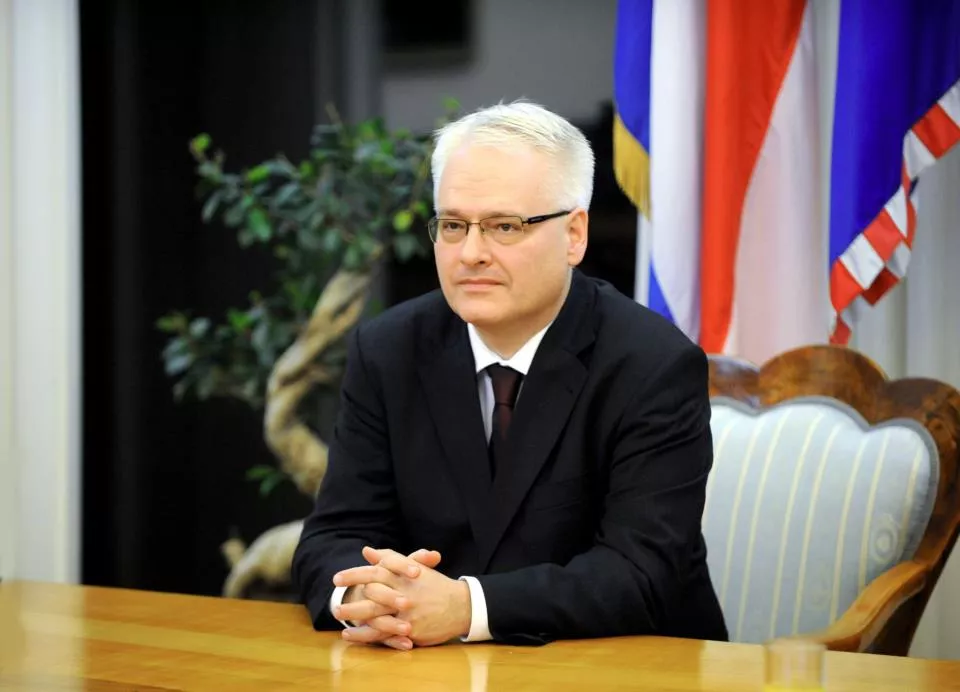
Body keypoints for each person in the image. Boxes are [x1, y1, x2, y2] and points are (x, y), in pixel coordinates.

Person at [292, 100, 728, 649]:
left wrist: (466, 607)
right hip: (433, 671)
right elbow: (332, 537)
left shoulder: (652, 365)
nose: (471, 253)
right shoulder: (389, 350)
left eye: (504, 226)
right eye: (453, 226)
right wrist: (369, 597)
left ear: (574, 235)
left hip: (623, 669)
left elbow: (639, 574)